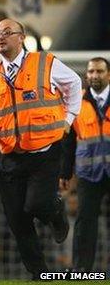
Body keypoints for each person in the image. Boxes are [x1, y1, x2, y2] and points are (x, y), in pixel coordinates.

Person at [0, 18, 81, 279]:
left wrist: (69, 118)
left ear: (22, 38)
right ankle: (39, 274)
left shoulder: (45, 63)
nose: (1, 37)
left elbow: (74, 83)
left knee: (36, 205)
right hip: (8, 157)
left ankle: (55, 212)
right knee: (18, 222)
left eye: (7, 33)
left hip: (44, 153)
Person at [61, 57, 110, 271]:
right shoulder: (76, 102)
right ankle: (82, 270)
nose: (94, 76)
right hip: (88, 172)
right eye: (91, 72)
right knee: (85, 221)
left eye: (99, 71)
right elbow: (69, 141)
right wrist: (65, 172)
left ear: (108, 74)